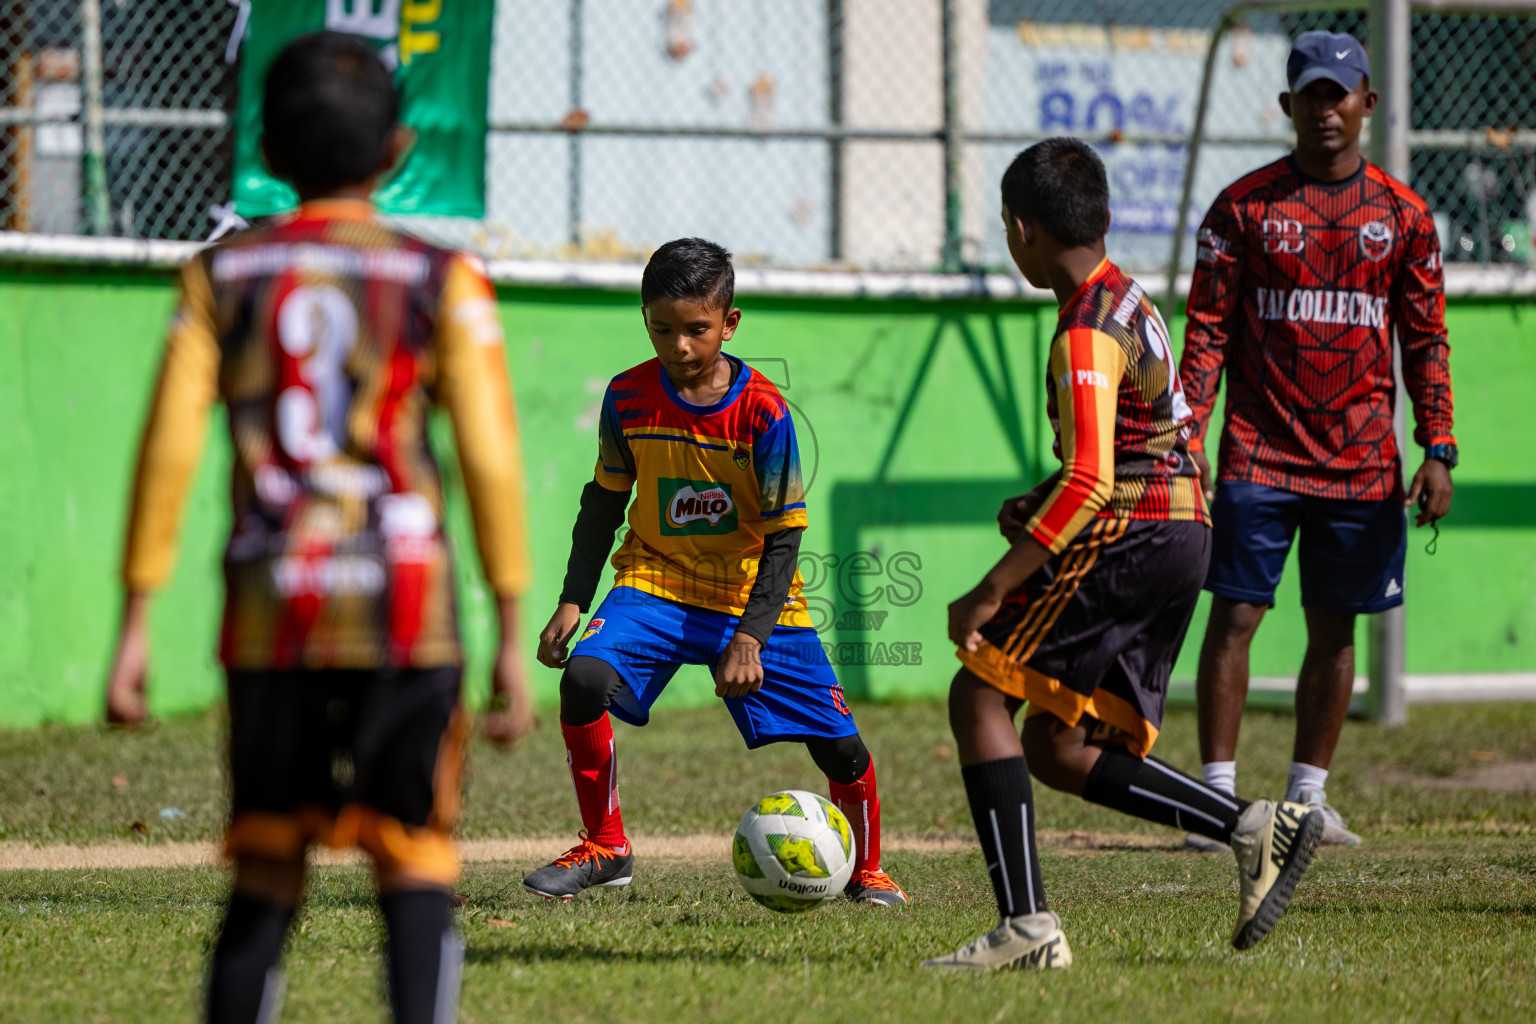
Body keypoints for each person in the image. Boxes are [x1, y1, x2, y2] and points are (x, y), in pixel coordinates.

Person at [102, 33, 533, 1024]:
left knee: (265, 864)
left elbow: (166, 450)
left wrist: (135, 619)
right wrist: (514, 626)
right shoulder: (443, 278)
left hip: (272, 605)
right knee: (414, 857)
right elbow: (490, 456)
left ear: (266, 148)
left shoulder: (220, 275)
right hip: (406, 606)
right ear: (397, 149)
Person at [924, 139, 1323, 972]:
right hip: (1183, 530)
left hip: (1132, 533)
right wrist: (1041, 496)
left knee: (979, 692)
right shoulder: (1129, 299)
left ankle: (1026, 928)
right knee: (1058, 744)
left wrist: (991, 589)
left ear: (1020, 230)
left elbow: (1092, 480)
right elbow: (1147, 439)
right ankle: (1252, 827)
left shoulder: (1082, 331)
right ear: (1104, 217)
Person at [523, 237, 906, 907]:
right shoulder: (627, 398)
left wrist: (751, 636)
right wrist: (573, 600)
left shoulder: (765, 412)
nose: (678, 346)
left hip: (753, 595)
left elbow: (785, 536)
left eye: (696, 329)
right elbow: (603, 502)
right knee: (583, 678)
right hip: (656, 583)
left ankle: (867, 870)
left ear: (729, 323)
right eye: (661, 329)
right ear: (646, 320)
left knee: (840, 749)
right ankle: (606, 847)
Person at [1178, 31, 1455, 851]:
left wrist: (1439, 446)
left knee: (1337, 628)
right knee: (1235, 614)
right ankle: (1216, 802)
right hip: (1258, 449)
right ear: (1286, 105)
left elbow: (1426, 340)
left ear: (1368, 103)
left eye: (1340, 95)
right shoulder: (1242, 209)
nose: (1325, 109)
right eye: (1311, 95)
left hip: (1362, 462)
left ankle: (1307, 799)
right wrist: (1191, 431)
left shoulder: (1405, 218)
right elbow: (1206, 333)